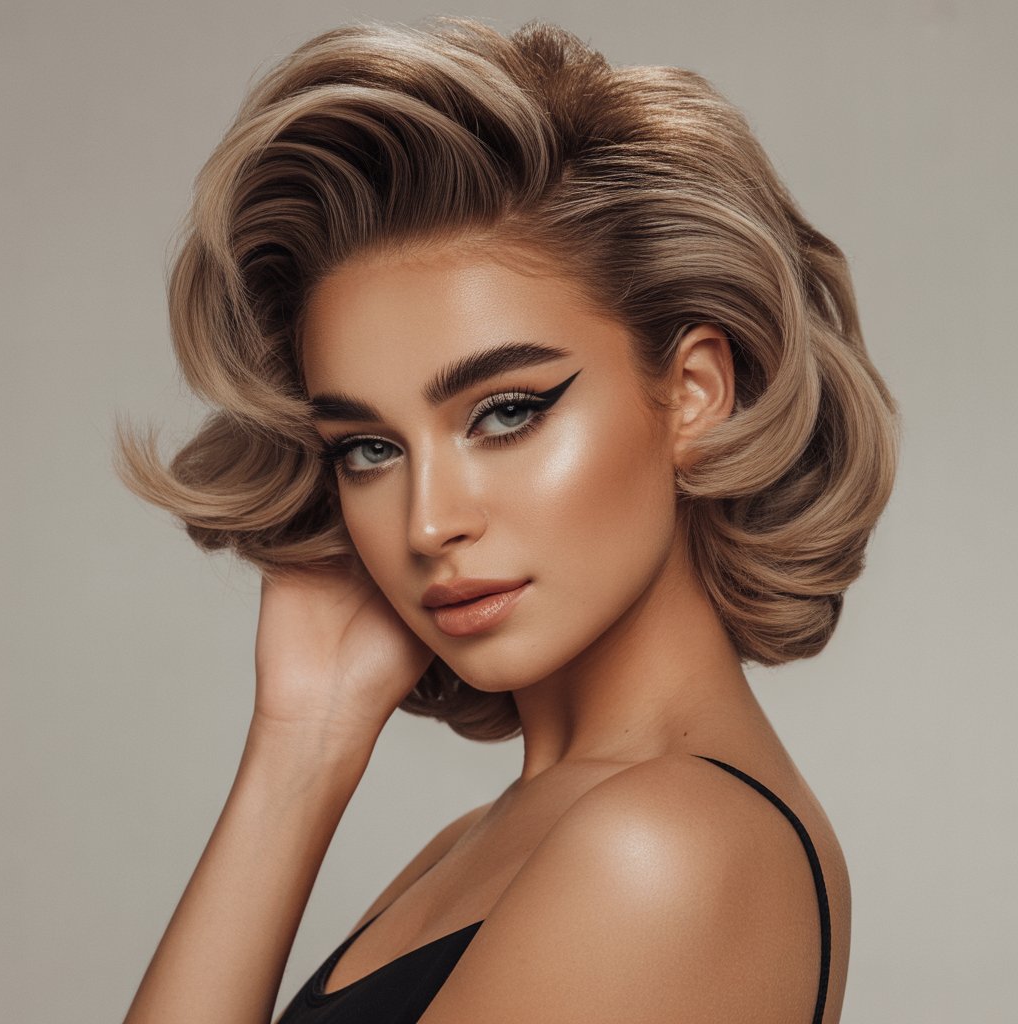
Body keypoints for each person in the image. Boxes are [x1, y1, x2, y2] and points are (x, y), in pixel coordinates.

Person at [115, 16, 898, 1024]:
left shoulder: (663, 848)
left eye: (507, 412)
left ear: (695, 393)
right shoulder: (483, 843)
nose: (427, 521)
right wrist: (300, 744)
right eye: (369, 447)